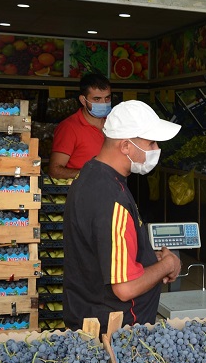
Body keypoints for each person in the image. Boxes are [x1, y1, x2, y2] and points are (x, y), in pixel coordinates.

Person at [63, 100, 182, 332]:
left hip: (88, 314)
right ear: (126, 146)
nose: (156, 149)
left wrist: (150, 259)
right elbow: (125, 288)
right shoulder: (112, 199)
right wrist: (168, 264)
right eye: (151, 142)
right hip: (117, 330)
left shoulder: (90, 175)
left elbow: (105, 247)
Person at [48, 73, 112, 179]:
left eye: (107, 98)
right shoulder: (69, 128)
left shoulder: (115, 123)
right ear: (83, 100)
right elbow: (55, 170)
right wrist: (91, 174)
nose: (103, 103)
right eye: (97, 99)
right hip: (84, 192)